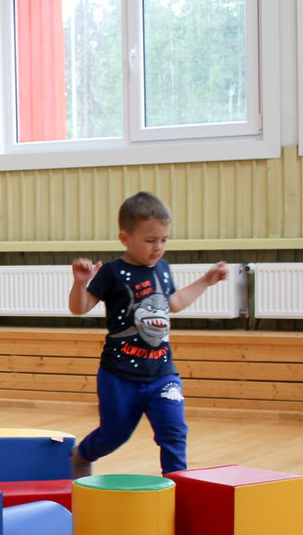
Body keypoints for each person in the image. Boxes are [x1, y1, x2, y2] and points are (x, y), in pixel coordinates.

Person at [67, 191, 228, 477]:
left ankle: (178, 488)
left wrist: (206, 280)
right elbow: (80, 308)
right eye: (150, 240)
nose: (158, 247)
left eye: (164, 240)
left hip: (161, 372)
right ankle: (80, 456)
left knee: (174, 432)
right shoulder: (113, 272)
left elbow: (174, 303)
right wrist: (81, 283)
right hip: (119, 375)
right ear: (125, 238)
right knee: (113, 434)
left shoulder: (163, 269)